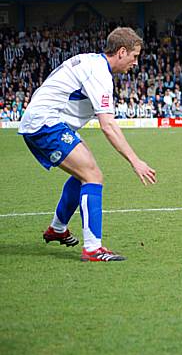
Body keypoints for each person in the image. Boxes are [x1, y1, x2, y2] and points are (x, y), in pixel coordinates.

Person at [18, 27, 157, 262]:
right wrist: (135, 161)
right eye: (134, 56)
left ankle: (58, 228)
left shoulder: (91, 61)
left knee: (84, 171)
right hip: (46, 123)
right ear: (122, 52)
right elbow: (108, 126)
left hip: (48, 121)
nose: (135, 62)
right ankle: (93, 248)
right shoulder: (100, 73)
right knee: (92, 175)